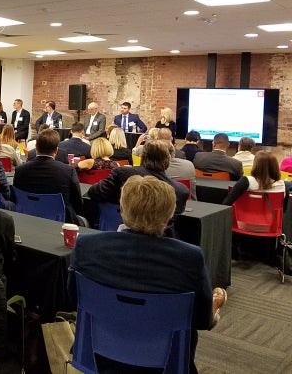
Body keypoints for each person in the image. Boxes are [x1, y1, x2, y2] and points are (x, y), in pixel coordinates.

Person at [68, 175, 226, 374]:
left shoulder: (86, 246)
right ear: (170, 215)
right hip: (168, 362)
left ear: (122, 209)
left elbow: (75, 300)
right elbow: (202, 320)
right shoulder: (189, 258)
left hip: (97, 354)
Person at [87, 140, 189, 232]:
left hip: (117, 231)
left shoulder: (123, 173)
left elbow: (94, 192)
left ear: (143, 157)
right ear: (168, 160)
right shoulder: (180, 191)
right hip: (161, 244)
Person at [13, 128, 83, 223]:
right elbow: (78, 202)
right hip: (60, 221)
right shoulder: (68, 171)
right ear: (56, 150)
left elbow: (15, 198)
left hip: (27, 218)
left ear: (36, 147)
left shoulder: (20, 170)